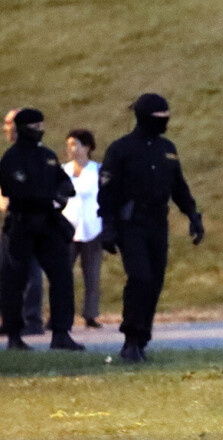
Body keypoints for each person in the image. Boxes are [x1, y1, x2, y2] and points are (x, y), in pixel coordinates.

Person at [97, 93, 205, 363]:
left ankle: (142, 339)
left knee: (154, 282)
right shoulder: (121, 150)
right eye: (160, 118)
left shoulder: (166, 148)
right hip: (130, 224)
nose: (165, 122)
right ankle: (130, 338)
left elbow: (178, 186)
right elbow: (107, 192)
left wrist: (193, 215)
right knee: (140, 278)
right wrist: (108, 226)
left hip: (157, 224)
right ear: (145, 118)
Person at [0, 108, 84, 350]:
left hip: (48, 224)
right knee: (15, 279)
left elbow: (64, 182)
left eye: (41, 126)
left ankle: (61, 333)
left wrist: (61, 194)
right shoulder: (11, 158)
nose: (39, 131)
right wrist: (47, 196)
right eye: (34, 127)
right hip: (22, 224)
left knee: (62, 276)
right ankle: (14, 335)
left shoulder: (46, 155)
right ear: (22, 129)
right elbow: (15, 190)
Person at [0, 109, 45, 336]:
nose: (6, 128)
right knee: (8, 273)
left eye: (9, 124)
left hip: (27, 219)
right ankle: (11, 320)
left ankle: (32, 319)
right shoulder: (10, 154)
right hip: (11, 220)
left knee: (30, 272)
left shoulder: (29, 154)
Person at [62, 129, 103, 328]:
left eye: (74, 144)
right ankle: (60, 314)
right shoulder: (63, 171)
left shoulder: (97, 171)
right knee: (62, 274)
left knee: (92, 273)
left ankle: (90, 314)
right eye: (69, 145)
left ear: (87, 147)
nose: (70, 149)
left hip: (92, 228)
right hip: (67, 228)